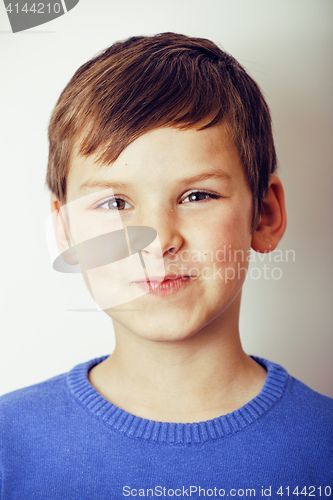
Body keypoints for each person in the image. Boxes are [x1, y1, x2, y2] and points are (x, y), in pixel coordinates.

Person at [0, 32, 332, 498]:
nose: (157, 240)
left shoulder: (324, 447)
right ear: (66, 231)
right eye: (115, 202)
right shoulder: (8, 444)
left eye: (197, 195)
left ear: (265, 214)